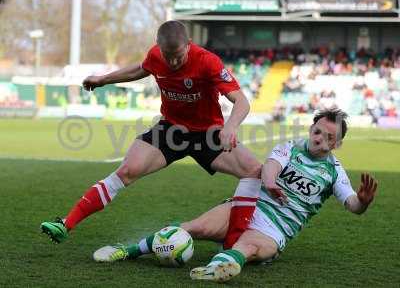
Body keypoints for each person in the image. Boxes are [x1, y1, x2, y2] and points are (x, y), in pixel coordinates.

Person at [40, 20, 262, 249]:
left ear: (189, 45)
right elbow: (140, 69)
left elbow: (241, 101)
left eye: (178, 55)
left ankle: (234, 243)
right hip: (170, 130)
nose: (173, 62)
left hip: (206, 134)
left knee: (254, 171)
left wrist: (231, 126)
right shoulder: (156, 56)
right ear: (158, 47)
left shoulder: (208, 61)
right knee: (127, 171)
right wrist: (103, 79)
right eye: (168, 56)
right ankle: (66, 224)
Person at [92, 109, 378, 283]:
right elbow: (269, 170)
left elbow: (352, 204)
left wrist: (362, 201)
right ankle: (127, 251)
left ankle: (220, 266)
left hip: (275, 230)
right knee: (195, 227)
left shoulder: (334, 172)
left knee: (250, 247)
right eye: (318, 132)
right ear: (311, 129)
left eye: (328, 137)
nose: (320, 139)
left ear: (337, 144)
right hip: (247, 207)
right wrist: (271, 184)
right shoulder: (288, 148)